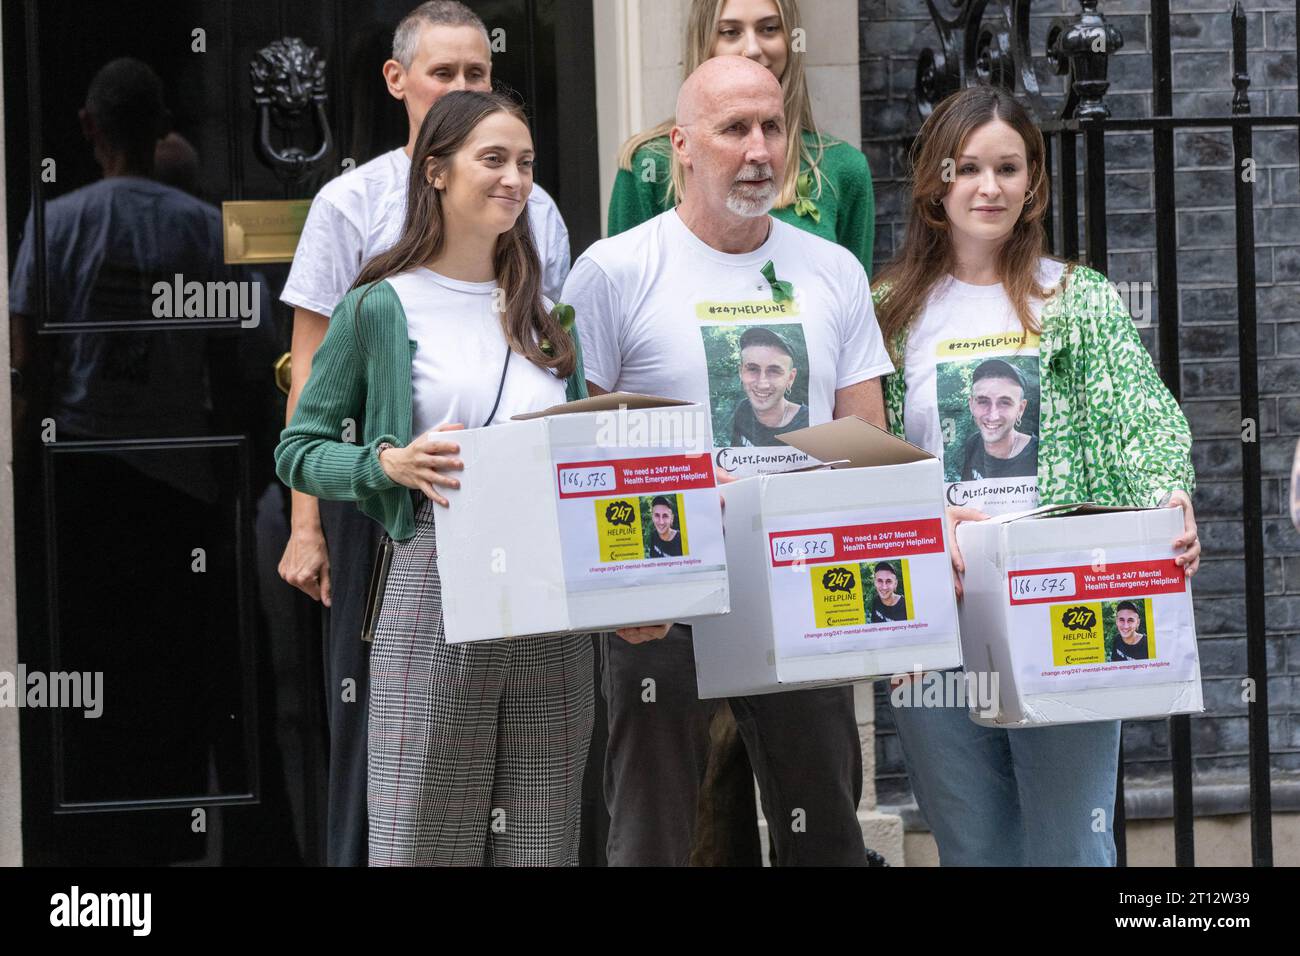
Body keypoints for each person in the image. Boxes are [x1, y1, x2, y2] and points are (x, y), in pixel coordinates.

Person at [565, 56, 894, 866]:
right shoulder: (613, 270)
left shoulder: (833, 270)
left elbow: (869, 450)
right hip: (661, 592)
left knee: (825, 829)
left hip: (804, 582)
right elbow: (578, 452)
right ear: (681, 145)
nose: (759, 148)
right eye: (734, 128)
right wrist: (614, 593)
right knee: (655, 837)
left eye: (772, 127)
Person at [872, 85, 1201, 866]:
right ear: (936, 182)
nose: (989, 187)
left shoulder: (1077, 300)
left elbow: (1142, 417)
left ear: (1033, 183)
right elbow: (870, 456)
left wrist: (1170, 498)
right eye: (969, 168)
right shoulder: (887, 311)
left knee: (1071, 847)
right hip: (936, 613)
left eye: (1009, 168)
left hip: (1062, 602)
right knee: (973, 844)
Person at [276, 0, 572, 866]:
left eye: (523, 161)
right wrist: (380, 467)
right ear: (436, 170)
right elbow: (301, 431)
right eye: (494, 161)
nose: (514, 179)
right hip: (425, 567)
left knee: (542, 839)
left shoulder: (550, 312)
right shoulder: (377, 290)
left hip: (549, 592)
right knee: (421, 830)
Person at [608, 0, 875, 274]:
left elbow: (852, 302)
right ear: (705, 42)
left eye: (769, 29)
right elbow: (621, 296)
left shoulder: (844, 169)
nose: (753, 49)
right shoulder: (648, 167)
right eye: (730, 32)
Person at [730, 326, 809, 446]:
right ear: (741, 372)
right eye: (752, 369)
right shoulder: (743, 409)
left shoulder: (807, 423)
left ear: (790, 378)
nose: (762, 384)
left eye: (774, 371)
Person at [960, 358, 1037, 480]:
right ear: (971, 405)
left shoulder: (1040, 455)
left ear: (1021, 409)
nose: (993, 416)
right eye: (983, 402)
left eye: (1005, 403)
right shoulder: (973, 443)